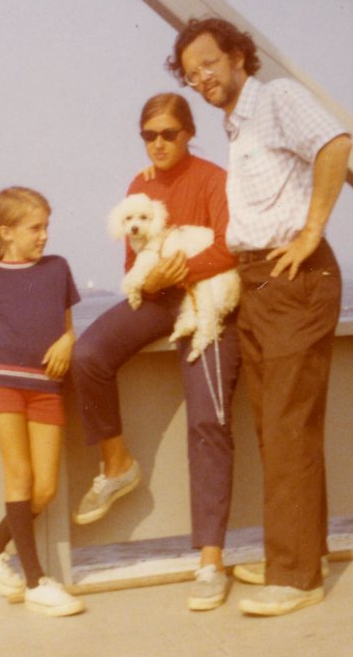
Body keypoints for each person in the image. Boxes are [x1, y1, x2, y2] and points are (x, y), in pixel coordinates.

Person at [167, 15, 352, 618]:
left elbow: (335, 144)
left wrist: (311, 231)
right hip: (256, 283)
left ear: (239, 57)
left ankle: (294, 578)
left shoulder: (276, 100)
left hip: (293, 277)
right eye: (191, 74)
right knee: (277, 427)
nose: (202, 78)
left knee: (287, 425)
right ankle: (305, 555)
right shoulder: (236, 125)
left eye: (209, 64)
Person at [71, 92, 242, 612]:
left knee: (207, 420)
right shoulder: (139, 185)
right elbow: (133, 259)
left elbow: (231, 246)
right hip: (158, 299)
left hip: (207, 298)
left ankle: (210, 561)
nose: (159, 143)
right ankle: (117, 464)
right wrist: (152, 279)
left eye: (169, 133)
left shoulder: (213, 179)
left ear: (189, 133)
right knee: (87, 355)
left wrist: (182, 271)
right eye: (150, 135)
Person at [0, 186, 85, 618]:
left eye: (46, 226)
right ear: (6, 232)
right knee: (20, 477)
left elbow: (67, 328)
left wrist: (67, 342)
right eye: (35, 228)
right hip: (2, 384)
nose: (44, 235)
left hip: (46, 387)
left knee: (45, 489)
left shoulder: (58, 269)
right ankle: (36, 582)